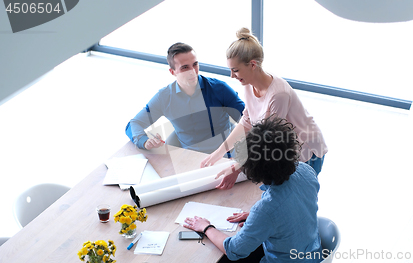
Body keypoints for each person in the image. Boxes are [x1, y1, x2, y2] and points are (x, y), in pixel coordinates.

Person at [201, 27, 328, 189]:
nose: (232, 76)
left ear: (252, 64)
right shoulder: (248, 84)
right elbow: (246, 122)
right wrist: (218, 153)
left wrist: (236, 167)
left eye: (235, 70)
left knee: (294, 197)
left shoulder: (278, 94)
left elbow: (268, 140)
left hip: (306, 151)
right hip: (279, 148)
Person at [184, 116, 323, 263]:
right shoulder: (306, 171)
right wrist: (261, 220)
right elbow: (298, 205)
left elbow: (233, 250)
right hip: (313, 254)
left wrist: (206, 227)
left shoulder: (266, 210)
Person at [125, 42, 245, 154]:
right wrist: (145, 141)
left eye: (195, 64)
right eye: (185, 67)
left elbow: (249, 118)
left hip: (224, 154)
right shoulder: (164, 97)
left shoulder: (220, 89)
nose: (193, 71)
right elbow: (134, 124)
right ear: (173, 72)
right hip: (188, 157)